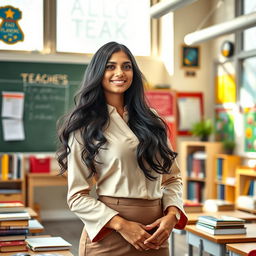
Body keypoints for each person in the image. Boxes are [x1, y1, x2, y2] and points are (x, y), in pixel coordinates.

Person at [57, 41, 187, 256]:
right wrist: (122, 226)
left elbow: (172, 178)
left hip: (156, 234)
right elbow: (77, 197)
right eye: (110, 66)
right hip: (110, 234)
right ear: (98, 72)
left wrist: (172, 214)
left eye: (126, 66)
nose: (120, 72)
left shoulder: (151, 120)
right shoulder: (85, 126)